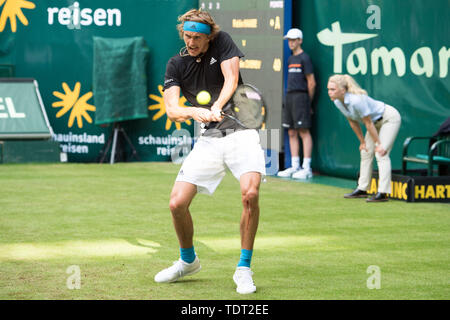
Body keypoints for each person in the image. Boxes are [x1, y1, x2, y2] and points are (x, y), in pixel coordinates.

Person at [154, 9, 266, 294]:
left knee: (250, 194)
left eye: (197, 38)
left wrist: (217, 106)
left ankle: (243, 269)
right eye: (187, 36)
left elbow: (231, 79)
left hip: (242, 131)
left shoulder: (223, 42)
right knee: (176, 203)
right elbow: (172, 109)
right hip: (210, 139)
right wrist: (194, 112)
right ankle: (188, 260)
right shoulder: (175, 64)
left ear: (209, 38)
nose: (191, 42)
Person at [327, 74, 402, 202]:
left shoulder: (356, 100)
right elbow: (352, 122)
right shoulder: (338, 102)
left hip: (389, 118)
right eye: (328, 89)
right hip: (373, 124)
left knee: (381, 153)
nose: (330, 92)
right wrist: (362, 142)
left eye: (333, 89)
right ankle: (362, 189)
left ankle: (383, 193)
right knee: (365, 151)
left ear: (343, 90)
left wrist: (378, 144)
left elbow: (368, 123)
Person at [277, 28, 316, 179]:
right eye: (289, 40)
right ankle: (295, 166)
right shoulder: (290, 59)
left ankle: (307, 168)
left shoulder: (305, 58)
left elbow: (311, 83)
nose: (291, 43)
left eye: (294, 40)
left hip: (302, 98)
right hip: (290, 97)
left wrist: (308, 102)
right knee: (291, 132)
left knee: (303, 132)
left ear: (300, 40)